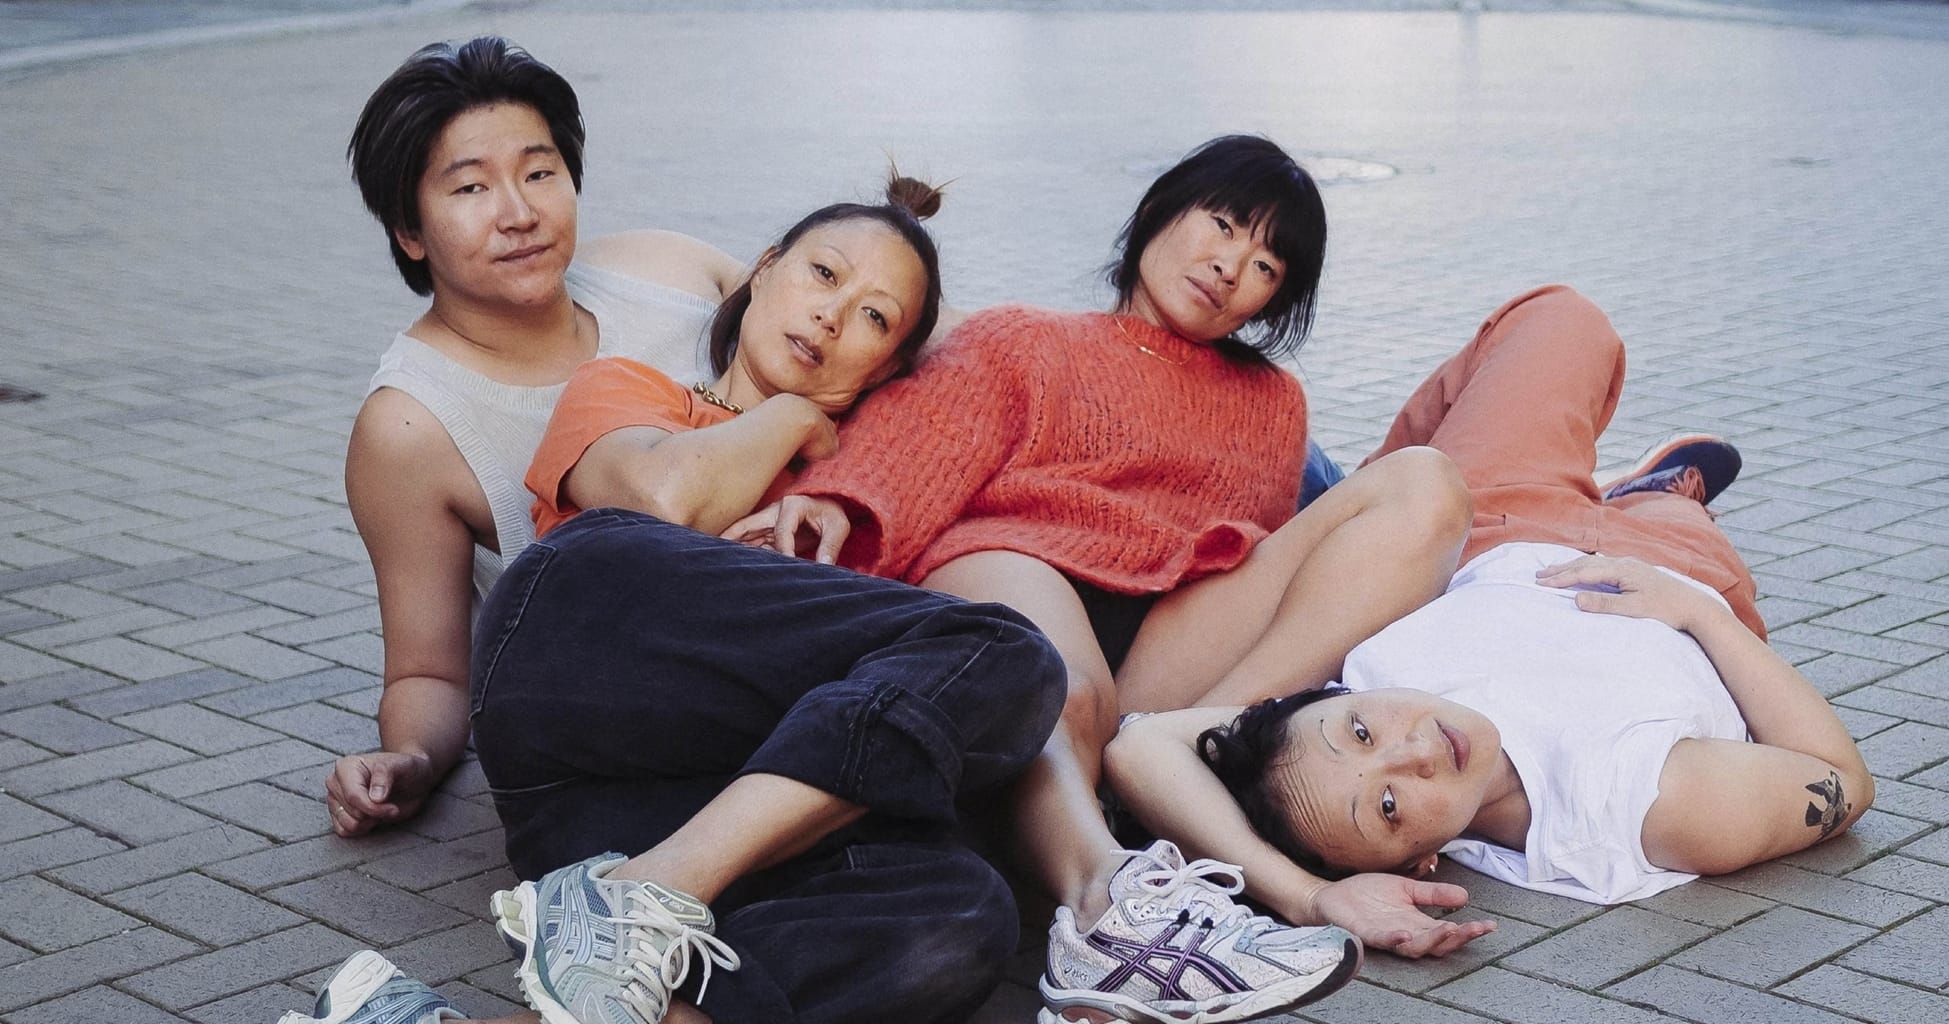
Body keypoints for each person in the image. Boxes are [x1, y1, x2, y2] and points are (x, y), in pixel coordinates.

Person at [711, 135, 1468, 1022]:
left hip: (1165, 635)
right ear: (1158, 212)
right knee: (1049, 674)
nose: (1229, 267)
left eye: (1266, 265)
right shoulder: (1024, 339)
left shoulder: (1274, 403)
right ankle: (1105, 912)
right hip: (1013, 562)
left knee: (1425, 482)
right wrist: (836, 502)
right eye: (1221, 225)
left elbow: (1267, 560)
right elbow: (914, 451)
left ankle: (1179, 759)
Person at [1103, 285, 1874, 944]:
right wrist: (1702, 617)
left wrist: (1293, 882)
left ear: (1327, 700)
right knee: (1674, 515)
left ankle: (1379, 487)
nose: (1411, 751)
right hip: (1680, 572)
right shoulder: (1636, 806)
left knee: (1560, 318)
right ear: (1418, 863)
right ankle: (1654, 495)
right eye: (1388, 806)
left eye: (1361, 731)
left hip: (1486, 525)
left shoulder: (1321, 728)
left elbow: (1139, 745)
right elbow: (1841, 780)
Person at [324, 36, 749, 836]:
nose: (518, 213)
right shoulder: (411, 426)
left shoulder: (667, 271)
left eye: (539, 172)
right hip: (664, 704)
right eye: (471, 187)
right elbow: (428, 671)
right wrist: (407, 759)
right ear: (409, 230)